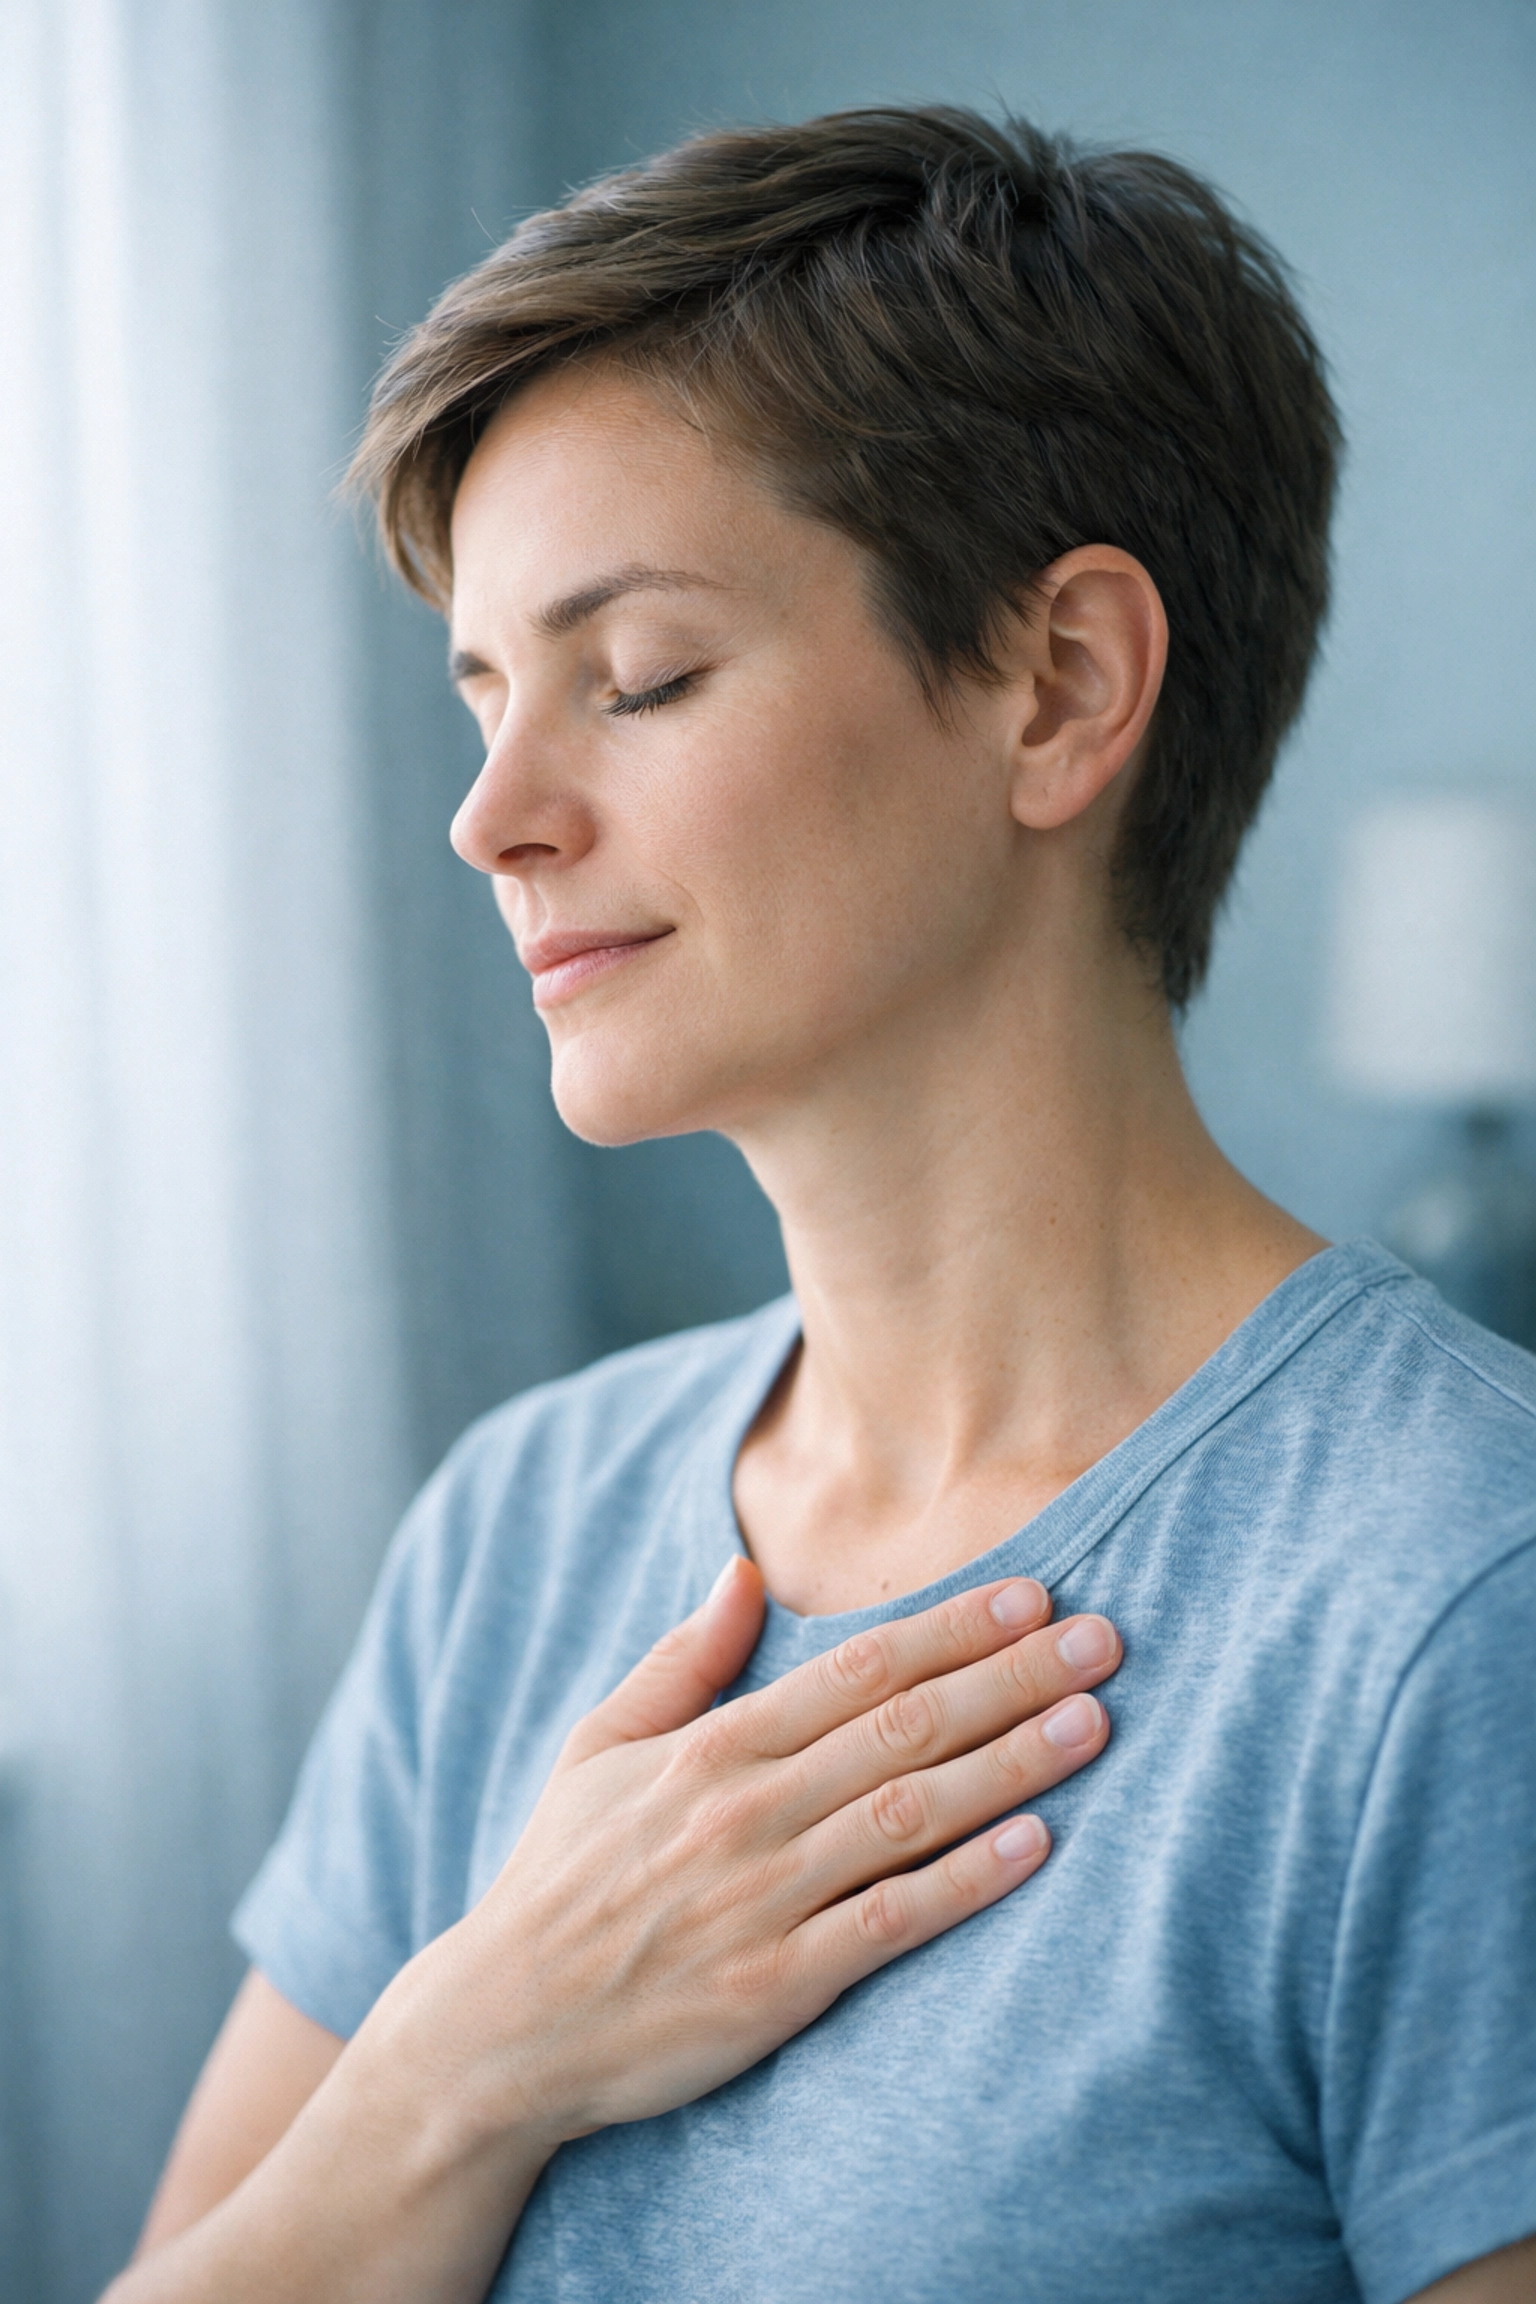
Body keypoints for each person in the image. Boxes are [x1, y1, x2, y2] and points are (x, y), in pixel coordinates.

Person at [106, 107, 1536, 2304]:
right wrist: (472, 2054)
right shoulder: (522, 1525)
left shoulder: (1456, 1609)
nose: (493, 819)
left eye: (640, 677)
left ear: (1057, 686)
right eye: (484, 700)